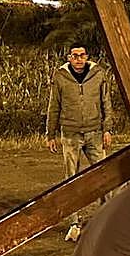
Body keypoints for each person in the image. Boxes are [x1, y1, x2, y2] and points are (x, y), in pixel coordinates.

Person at [46, 43, 113, 242]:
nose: (78, 59)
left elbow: (106, 102)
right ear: (69, 57)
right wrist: (50, 134)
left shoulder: (98, 74)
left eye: (82, 55)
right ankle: (74, 224)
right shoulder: (60, 77)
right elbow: (54, 105)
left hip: (94, 132)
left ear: (87, 57)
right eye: (75, 56)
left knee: (104, 176)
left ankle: (107, 219)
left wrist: (107, 129)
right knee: (71, 179)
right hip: (70, 134)